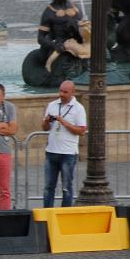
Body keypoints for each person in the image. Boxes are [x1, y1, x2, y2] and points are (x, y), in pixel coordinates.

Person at [42, 80, 87, 208]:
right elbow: (45, 128)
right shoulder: (52, 105)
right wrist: (46, 121)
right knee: (48, 187)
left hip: (68, 154)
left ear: (73, 92)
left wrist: (64, 122)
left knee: (67, 187)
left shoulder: (78, 108)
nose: (61, 94)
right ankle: (47, 216)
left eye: (65, 92)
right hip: (51, 151)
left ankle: (64, 215)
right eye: (60, 91)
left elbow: (82, 131)